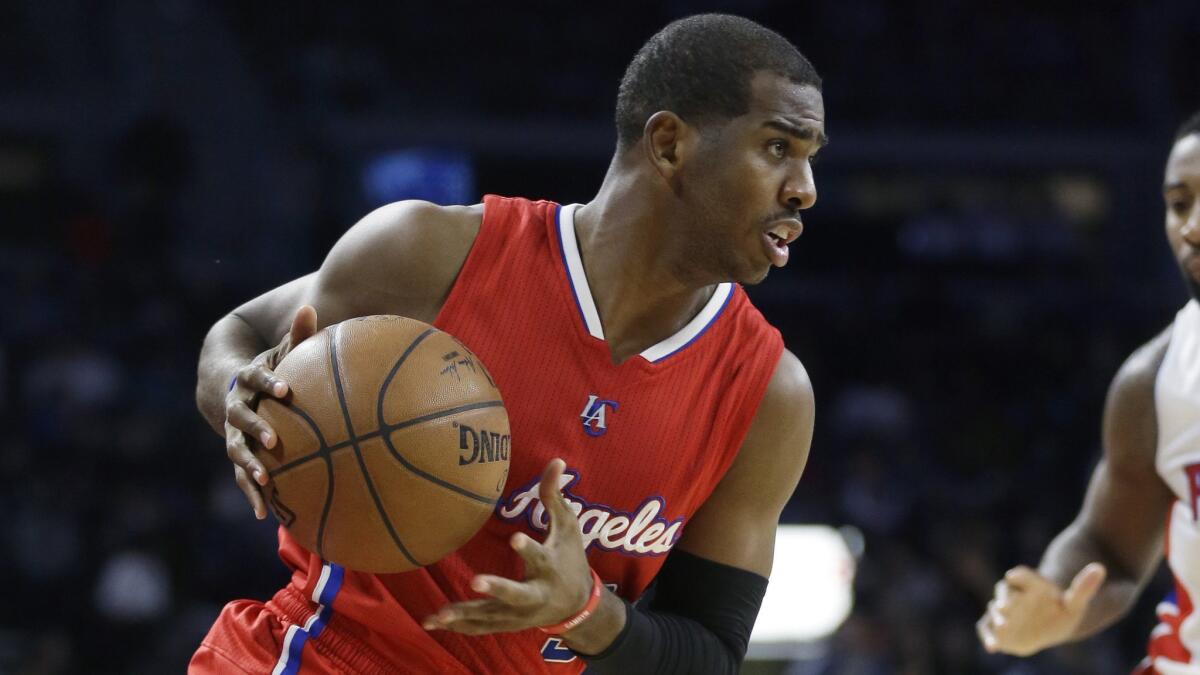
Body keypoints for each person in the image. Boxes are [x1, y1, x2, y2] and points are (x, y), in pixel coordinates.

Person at [190, 14, 825, 674]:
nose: (805, 189)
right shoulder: (432, 253)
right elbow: (240, 330)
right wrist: (241, 392)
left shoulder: (769, 394)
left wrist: (587, 611)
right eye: (779, 147)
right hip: (325, 655)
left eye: (811, 158)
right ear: (668, 144)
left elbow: (711, 655)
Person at [976, 111, 1200, 674]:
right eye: (1178, 203)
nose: (1191, 226)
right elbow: (1110, 550)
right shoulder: (1154, 380)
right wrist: (1058, 604)